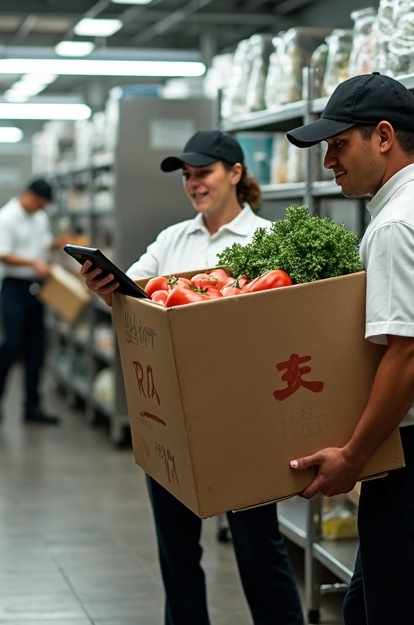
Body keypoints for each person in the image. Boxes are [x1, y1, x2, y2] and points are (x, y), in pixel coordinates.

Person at [285, 73, 414, 624]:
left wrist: (352, 456)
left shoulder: (400, 224)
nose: (328, 162)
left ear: (383, 136)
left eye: (338, 145)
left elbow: (410, 353)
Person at [81, 130, 304, 625]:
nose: (193, 184)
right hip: (174, 418)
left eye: (203, 173)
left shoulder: (265, 239)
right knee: (177, 554)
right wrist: (104, 289)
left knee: (258, 548)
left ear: (236, 174)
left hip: (244, 420)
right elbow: (134, 297)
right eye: (187, 176)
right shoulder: (172, 239)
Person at [0, 178, 60, 426]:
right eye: (41, 202)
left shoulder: (40, 218)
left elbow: (42, 245)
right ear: (30, 195)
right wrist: (32, 263)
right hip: (12, 288)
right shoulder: (5, 218)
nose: (42, 208)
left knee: (36, 348)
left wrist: (55, 247)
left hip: (35, 288)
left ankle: (32, 406)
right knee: (11, 344)